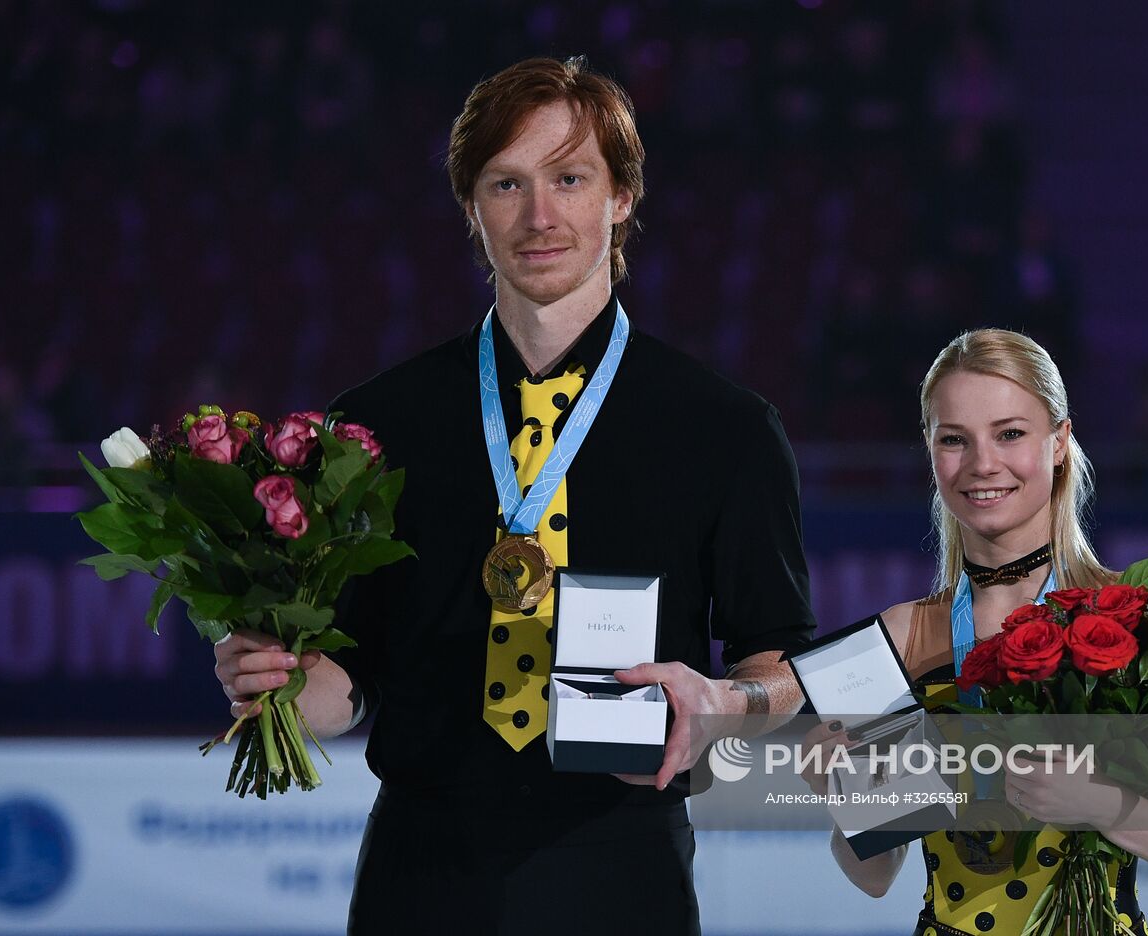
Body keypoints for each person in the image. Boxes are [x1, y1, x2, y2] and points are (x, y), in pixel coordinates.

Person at [212, 56, 814, 935]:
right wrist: (278, 683)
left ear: (621, 198)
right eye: (507, 184)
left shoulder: (726, 429)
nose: (540, 216)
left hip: (624, 869)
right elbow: (348, 688)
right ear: (471, 208)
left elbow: (782, 666)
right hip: (418, 875)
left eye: (570, 178)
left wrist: (728, 706)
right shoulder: (373, 425)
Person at [804, 328, 1148, 935]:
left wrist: (1095, 803)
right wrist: (841, 792)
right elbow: (875, 875)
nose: (983, 464)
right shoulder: (901, 636)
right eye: (954, 439)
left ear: (1059, 442)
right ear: (930, 450)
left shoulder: (1138, 621)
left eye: (1010, 434)